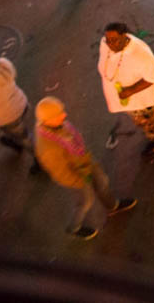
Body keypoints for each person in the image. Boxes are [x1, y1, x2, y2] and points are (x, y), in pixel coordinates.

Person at [34, 97, 137, 240]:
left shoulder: (58, 125)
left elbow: (74, 144)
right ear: (48, 120)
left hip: (85, 163)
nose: (64, 115)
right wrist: (80, 182)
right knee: (85, 202)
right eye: (59, 114)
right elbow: (60, 172)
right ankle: (74, 227)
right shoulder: (48, 148)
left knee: (102, 182)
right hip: (77, 177)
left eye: (62, 111)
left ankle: (112, 205)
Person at [98, 22, 154, 156]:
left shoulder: (140, 54)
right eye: (108, 40)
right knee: (149, 116)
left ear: (124, 36)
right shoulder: (105, 44)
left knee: (146, 122)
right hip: (125, 97)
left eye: (114, 40)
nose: (110, 44)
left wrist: (129, 91)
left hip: (140, 102)